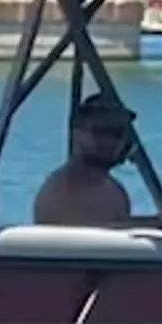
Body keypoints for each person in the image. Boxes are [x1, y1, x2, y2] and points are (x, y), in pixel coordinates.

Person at [32, 92, 136, 228]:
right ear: (76, 133)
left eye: (117, 133)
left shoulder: (115, 190)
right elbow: (91, 238)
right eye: (101, 131)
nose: (109, 141)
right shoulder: (63, 190)